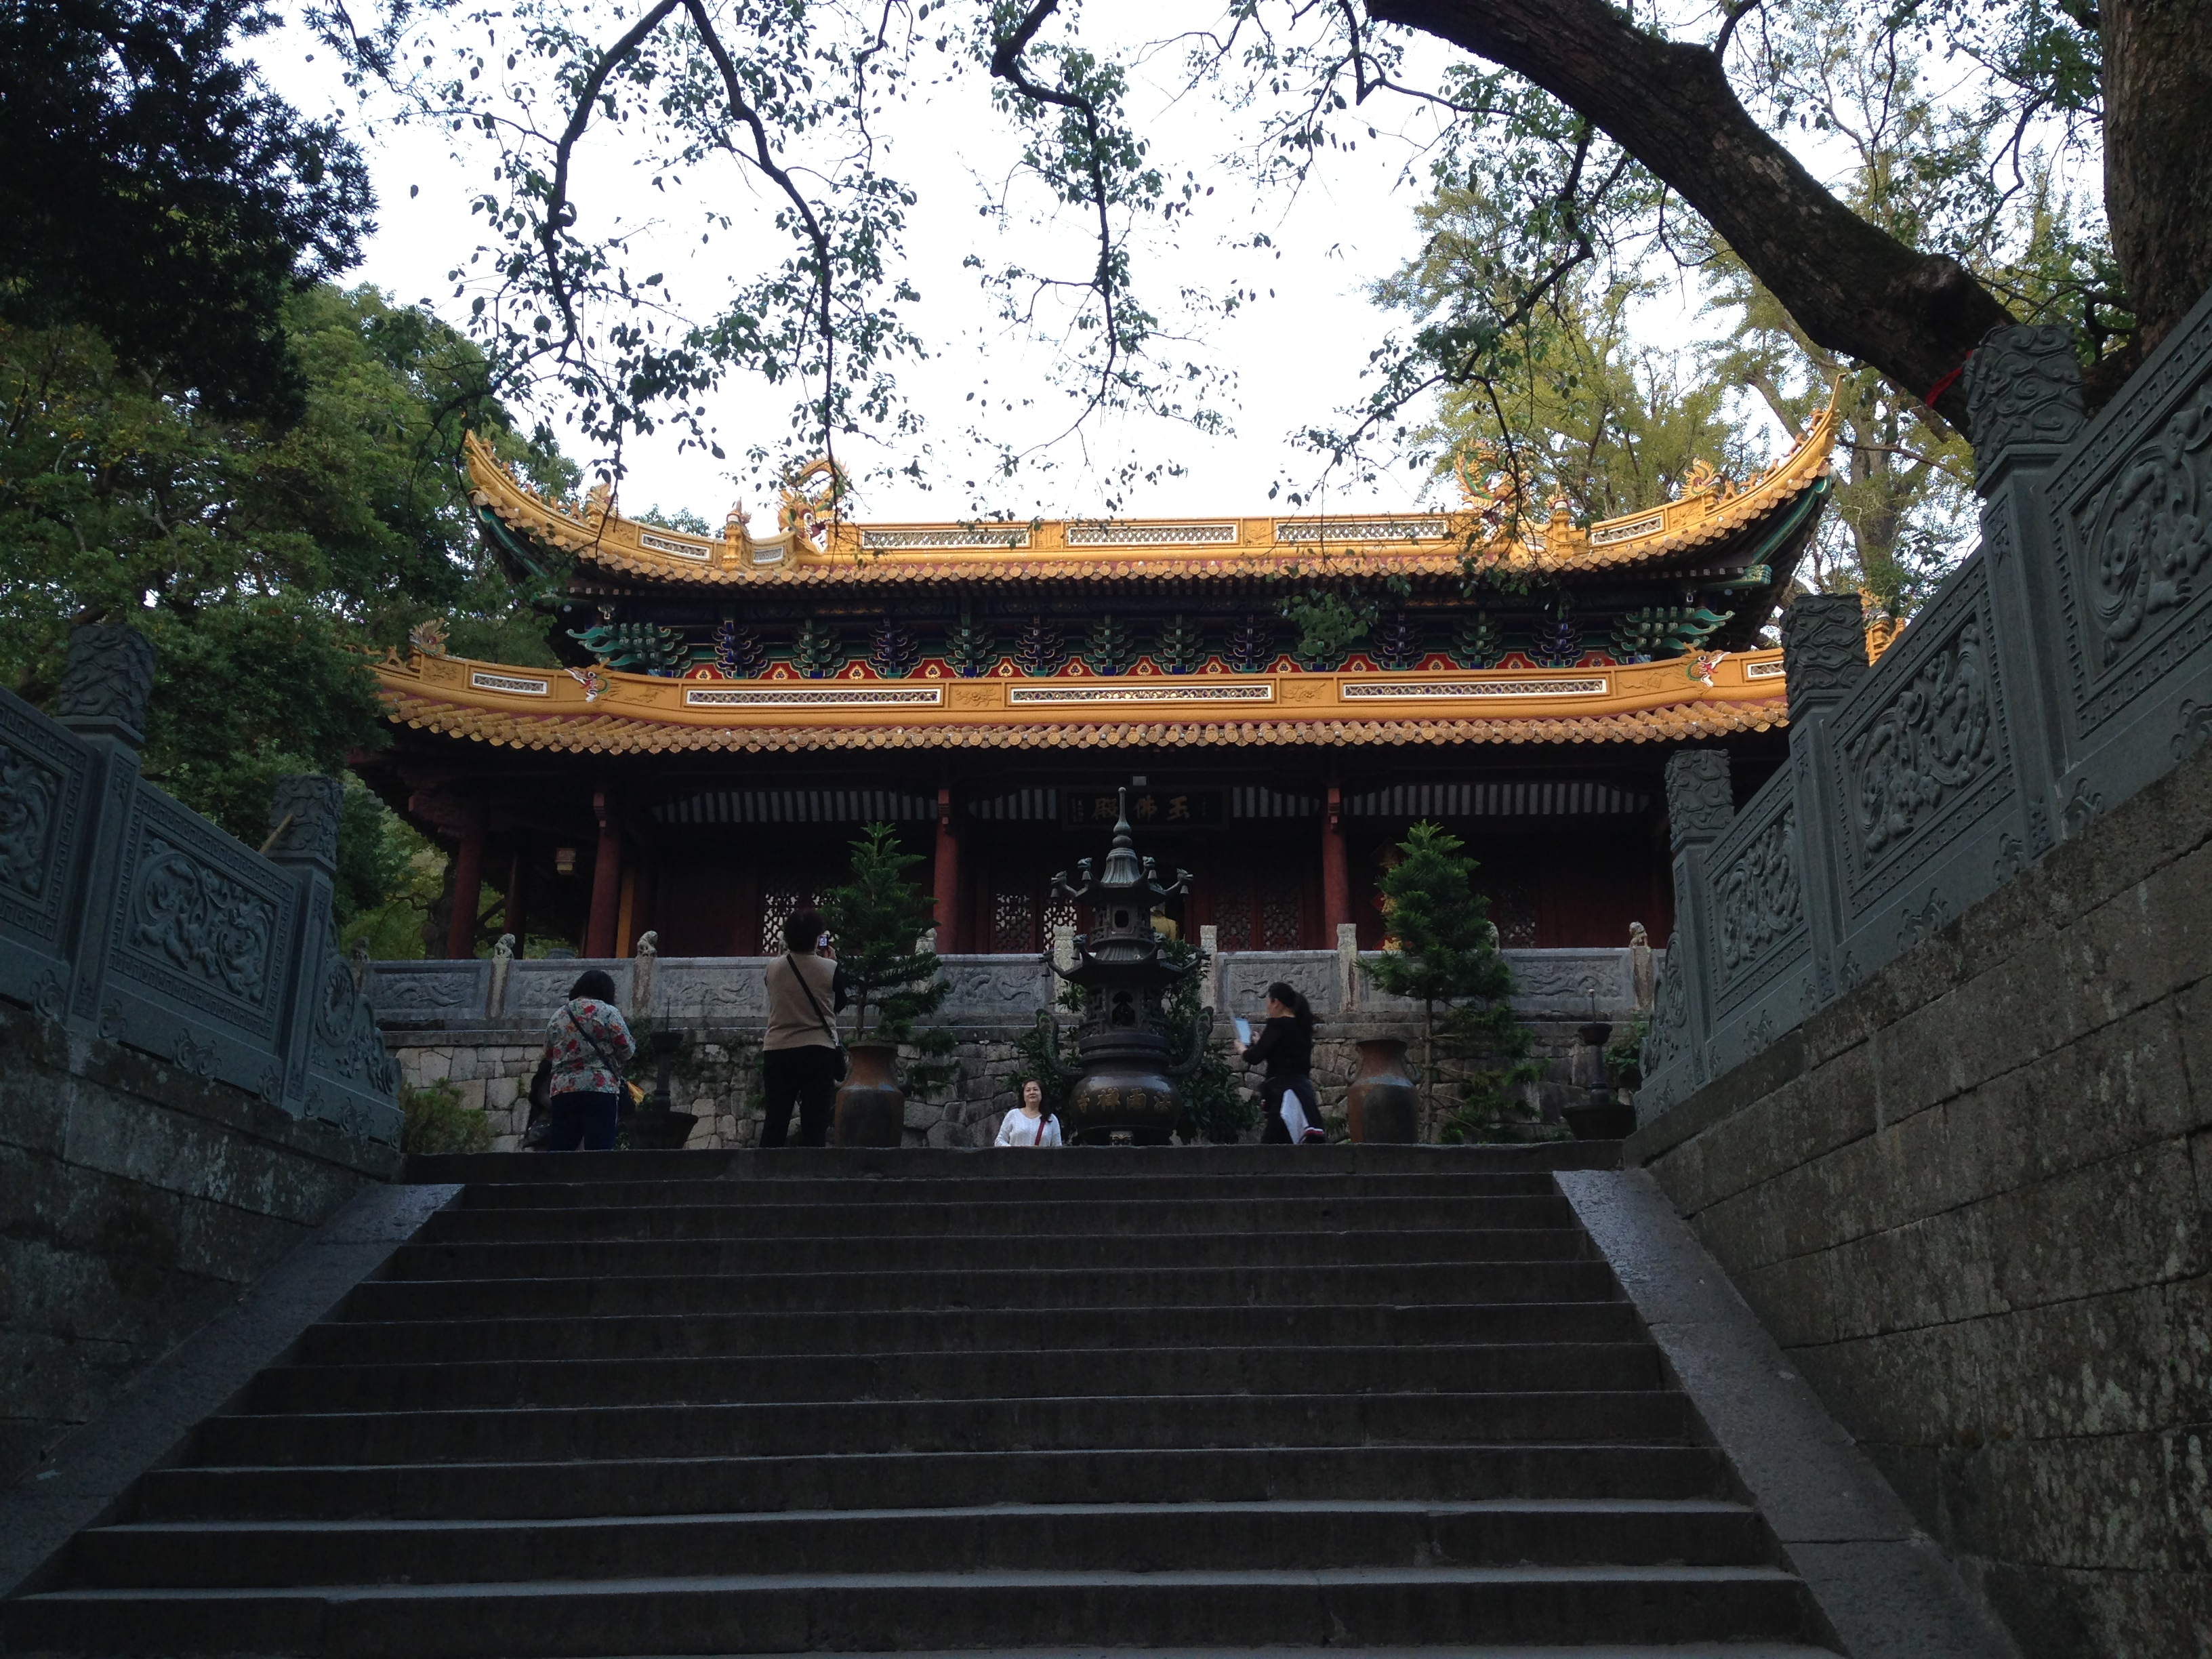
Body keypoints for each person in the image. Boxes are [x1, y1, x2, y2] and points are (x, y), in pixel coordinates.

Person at [761, 907, 849, 1147]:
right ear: (816, 938)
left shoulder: (772, 968)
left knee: (775, 1120)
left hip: (778, 1049)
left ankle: (764, 1177)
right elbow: (839, 1003)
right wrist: (830, 962)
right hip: (817, 1051)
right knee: (815, 1123)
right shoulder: (829, 968)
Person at [537, 968, 636, 1151]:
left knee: (561, 1147)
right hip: (599, 1088)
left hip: (563, 1089)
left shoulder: (558, 1015)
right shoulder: (608, 1012)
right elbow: (627, 1050)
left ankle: (555, 1178)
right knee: (599, 1148)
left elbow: (549, 1053)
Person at [1241, 981, 1326, 1144]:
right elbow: (1284, 1051)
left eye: (1268, 1004)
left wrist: (1242, 1049)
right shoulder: (1302, 1026)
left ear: (1276, 1003)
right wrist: (1261, 1043)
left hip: (1284, 1095)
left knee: (1272, 1145)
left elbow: (1255, 1057)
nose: (1268, 1008)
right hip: (1303, 1093)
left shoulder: (1277, 1024)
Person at [995, 1078, 1063, 1147]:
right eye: (1028, 1090)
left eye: (1035, 1089)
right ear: (1023, 1096)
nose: (1032, 1092)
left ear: (1042, 1094)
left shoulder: (1051, 1119)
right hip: (1016, 1157)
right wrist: (1014, 1151)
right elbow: (999, 1141)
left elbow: (1057, 1147)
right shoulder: (1013, 1115)